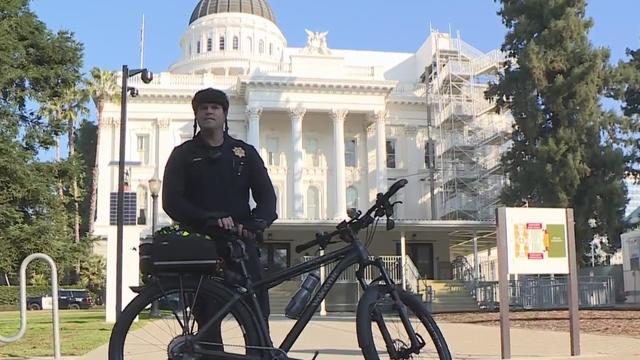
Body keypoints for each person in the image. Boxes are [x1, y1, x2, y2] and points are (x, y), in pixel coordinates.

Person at [162, 87, 277, 348]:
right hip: (202, 243)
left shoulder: (244, 153)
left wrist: (254, 225)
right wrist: (207, 218)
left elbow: (267, 199)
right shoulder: (183, 155)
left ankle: (259, 354)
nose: (208, 111)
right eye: (203, 108)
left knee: (257, 313)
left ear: (225, 114)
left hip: (240, 243)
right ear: (196, 115)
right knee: (207, 317)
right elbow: (172, 201)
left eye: (214, 107)